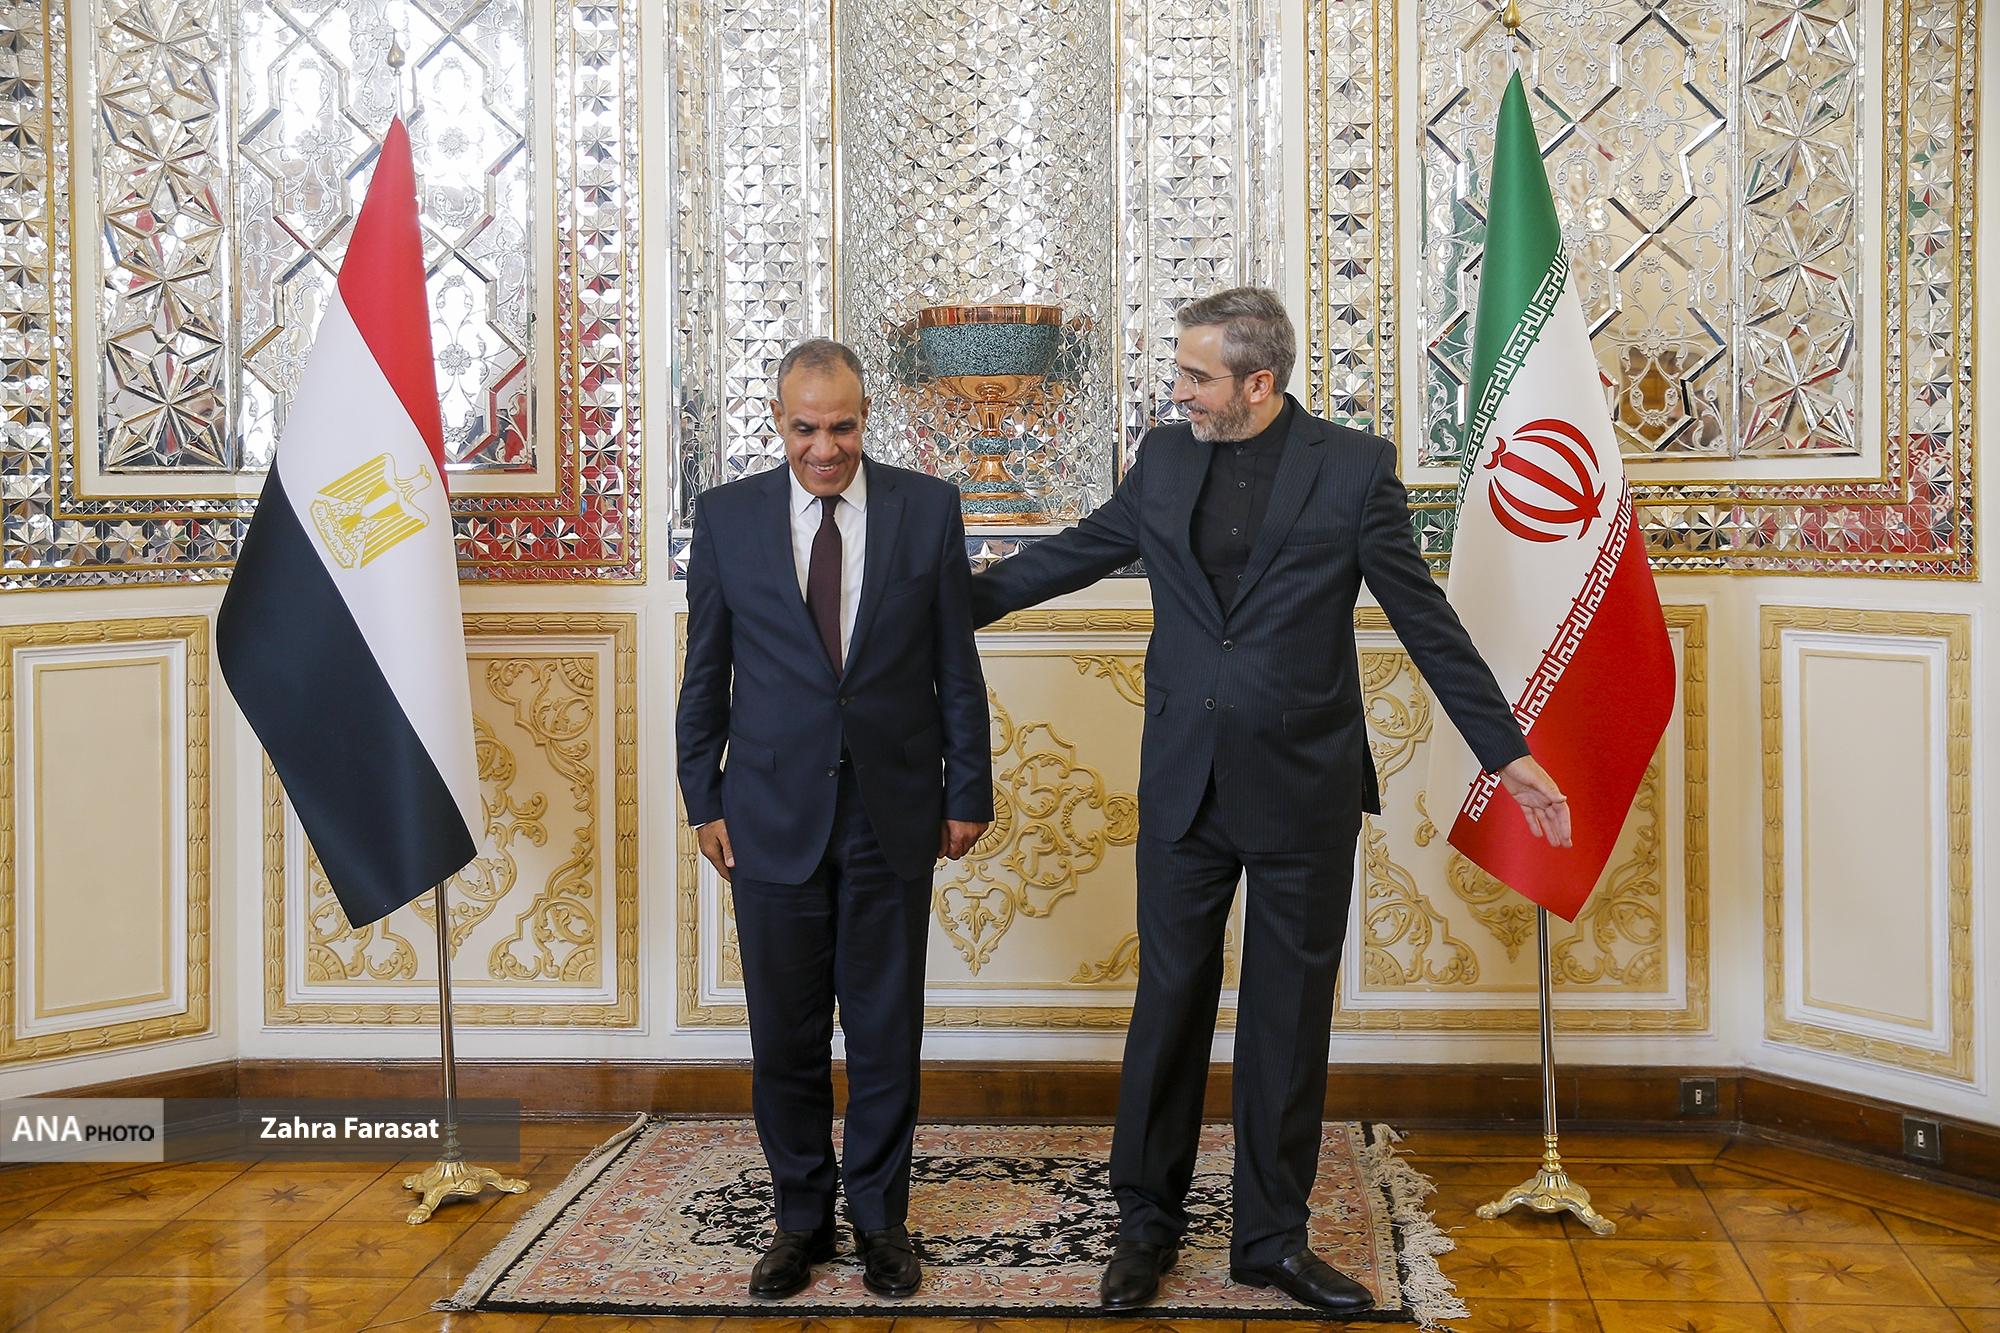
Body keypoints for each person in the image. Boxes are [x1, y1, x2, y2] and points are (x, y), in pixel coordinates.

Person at [969, 287, 1572, 1313]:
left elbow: (1423, 618)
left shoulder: (1353, 468)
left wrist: (1504, 753)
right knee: (1168, 1006)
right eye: (1180, 372)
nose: (1179, 391)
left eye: (1195, 376)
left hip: (1303, 788)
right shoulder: (1165, 458)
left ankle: (1271, 1239)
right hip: (1183, 783)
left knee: (1286, 1022)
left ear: (1258, 382)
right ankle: (1145, 1225)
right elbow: (1074, 554)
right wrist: (928, 605)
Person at [677, 338, 993, 1300]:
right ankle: (801, 1220)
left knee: (887, 1031)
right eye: (807, 428)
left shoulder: (926, 507)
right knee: (786, 1033)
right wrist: (702, 797)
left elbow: (955, 662)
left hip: (893, 810)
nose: (826, 448)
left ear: (866, 418)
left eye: (843, 427)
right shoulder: (727, 516)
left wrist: (968, 789)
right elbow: (705, 670)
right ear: (779, 422)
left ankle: (882, 1221)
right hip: (767, 813)